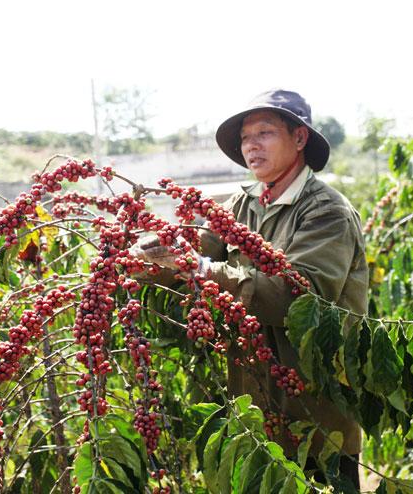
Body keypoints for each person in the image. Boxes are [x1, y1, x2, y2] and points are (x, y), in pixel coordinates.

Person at [137, 89, 369, 488]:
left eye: (265, 133)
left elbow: (298, 295)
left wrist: (200, 269)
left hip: (314, 419)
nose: (251, 145)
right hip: (257, 413)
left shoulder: (325, 211)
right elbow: (197, 245)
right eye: (246, 137)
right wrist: (148, 255)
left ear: (299, 139)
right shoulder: (241, 206)